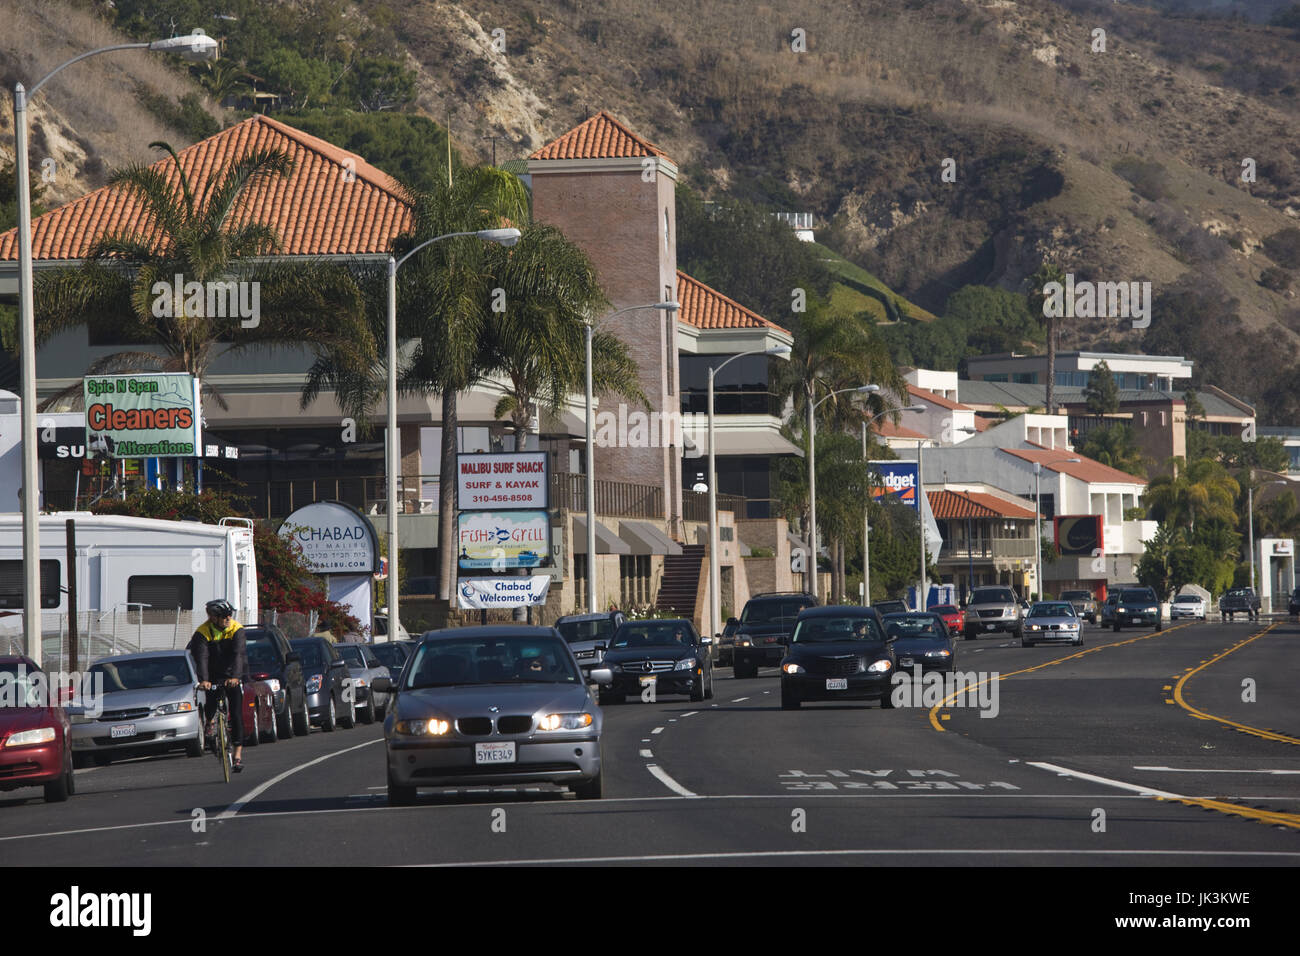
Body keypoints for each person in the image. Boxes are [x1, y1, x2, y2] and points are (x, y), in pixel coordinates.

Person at [188, 599, 248, 773]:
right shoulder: (202, 632)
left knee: (236, 714)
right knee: (211, 703)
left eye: (230, 615)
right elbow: (202, 658)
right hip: (212, 674)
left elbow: (238, 654)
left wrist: (236, 676)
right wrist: (204, 680)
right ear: (213, 617)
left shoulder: (237, 629)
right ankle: (210, 722)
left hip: (232, 674)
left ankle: (237, 756)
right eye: (224, 616)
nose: (228, 618)